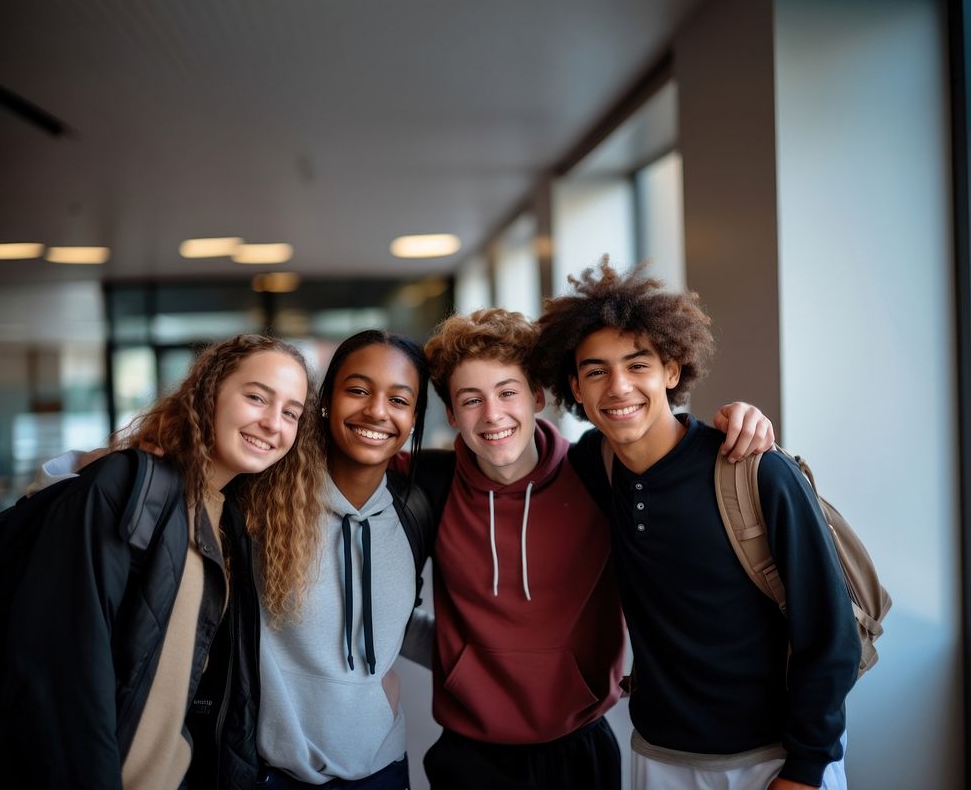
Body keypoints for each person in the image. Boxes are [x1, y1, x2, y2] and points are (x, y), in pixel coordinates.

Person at [400, 307, 776, 790]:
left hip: (580, 744)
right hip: (469, 751)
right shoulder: (430, 483)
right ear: (451, 414)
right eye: (470, 401)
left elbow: (664, 444)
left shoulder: (596, 472)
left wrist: (742, 417)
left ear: (537, 396)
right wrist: (461, 665)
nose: (492, 415)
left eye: (508, 392)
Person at [531, 260, 861, 790]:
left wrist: (804, 769)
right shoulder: (596, 464)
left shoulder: (756, 471)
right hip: (658, 754)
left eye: (638, 365)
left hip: (775, 759)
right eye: (596, 371)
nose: (618, 387)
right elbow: (515, 455)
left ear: (672, 370)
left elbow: (830, 634)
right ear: (575, 386)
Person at [0, 333, 323, 790]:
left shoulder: (229, 519)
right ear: (210, 392)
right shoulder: (132, 487)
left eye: (291, 413)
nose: (273, 423)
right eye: (257, 397)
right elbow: (63, 667)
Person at [246, 329, 434, 790]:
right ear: (326, 400)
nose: (376, 411)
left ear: (413, 419)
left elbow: (394, 624)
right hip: (271, 772)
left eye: (399, 399)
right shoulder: (261, 499)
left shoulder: (415, 510)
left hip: (382, 768)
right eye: (358, 390)